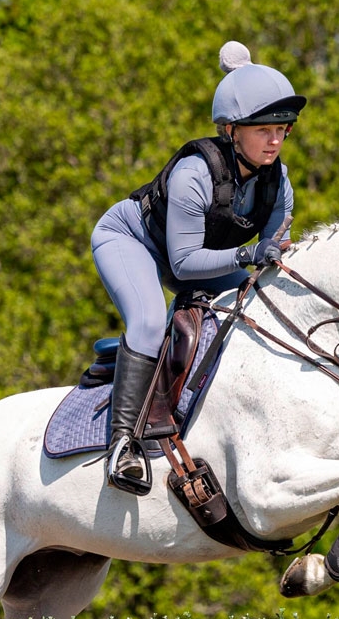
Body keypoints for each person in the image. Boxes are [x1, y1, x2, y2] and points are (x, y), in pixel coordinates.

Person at [91, 41, 307, 491]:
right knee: (150, 321)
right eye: (263, 129)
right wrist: (249, 255)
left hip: (195, 257)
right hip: (134, 243)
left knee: (260, 305)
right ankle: (123, 447)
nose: (275, 140)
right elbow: (186, 265)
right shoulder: (195, 172)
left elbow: (271, 257)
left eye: (282, 129)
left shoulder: (277, 182)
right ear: (231, 129)